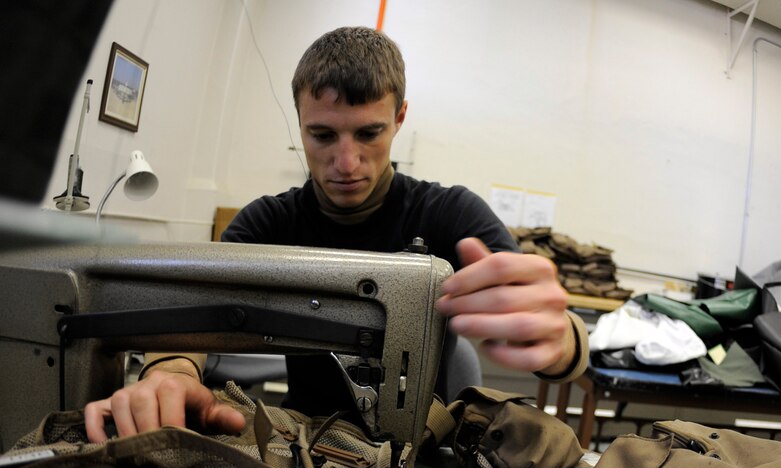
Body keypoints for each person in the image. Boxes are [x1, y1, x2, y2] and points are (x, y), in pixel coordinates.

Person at [84, 26, 588, 443]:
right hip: (305, 437)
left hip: (422, 447)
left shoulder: (451, 214)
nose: (346, 163)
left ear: (400, 118)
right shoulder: (268, 224)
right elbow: (191, 309)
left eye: (369, 133)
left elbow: (563, 345)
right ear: (299, 123)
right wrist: (171, 373)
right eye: (322, 135)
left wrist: (558, 339)